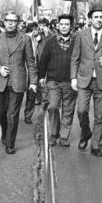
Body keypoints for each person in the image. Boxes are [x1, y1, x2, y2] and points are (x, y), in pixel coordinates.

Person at [70, 5, 102, 156]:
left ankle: (96, 146)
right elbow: (75, 58)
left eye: (101, 17)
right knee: (81, 111)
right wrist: (73, 78)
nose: (99, 20)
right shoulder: (81, 34)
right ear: (90, 19)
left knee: (100, 116)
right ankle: (85, 133)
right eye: (96, 17)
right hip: (84, 79)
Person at [0, 11, 37, 153]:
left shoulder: (25, 39)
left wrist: (33, 82)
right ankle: (5, 132)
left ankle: (10, 143)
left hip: (18, 81)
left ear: (18, 23)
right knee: (1, 112)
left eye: (13, 21)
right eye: (8, 20)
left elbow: (31, 62)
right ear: (4, 21)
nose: (10, 23)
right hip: (1, 81)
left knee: (13, 114)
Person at [38, 14, 77, 147]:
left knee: (68, 110)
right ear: (58, 26)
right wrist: (41, 76)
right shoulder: (50, 42)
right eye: (62, 24)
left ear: (70, 26)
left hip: (70, 82)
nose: (64, 27)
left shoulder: (76, 42)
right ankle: (54, 134)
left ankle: (64, 136)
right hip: (53, 81)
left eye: (67, 24)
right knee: (53, 106)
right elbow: (43, 60)